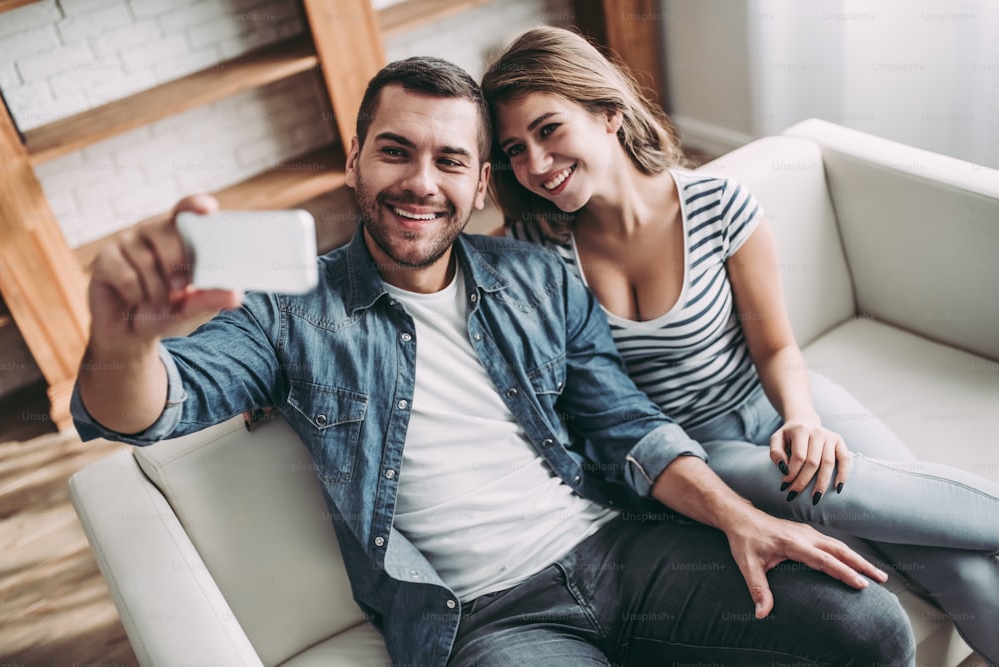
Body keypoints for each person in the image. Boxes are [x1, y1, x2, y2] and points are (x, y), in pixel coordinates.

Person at [71, 56, 916, 667]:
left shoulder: (541, 276)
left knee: (871, 624)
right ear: (354, 161)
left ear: (481, 185)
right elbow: (149, 407)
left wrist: (739, 515)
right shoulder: (288, 310)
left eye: (449, 161)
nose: (420, 182)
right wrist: (125, 336)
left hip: (619, 550)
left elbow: (627, 424)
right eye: (395, 150)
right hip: (486, 618)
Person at [481, 25, 999, 664]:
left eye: (548, 129)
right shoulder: (534, 251)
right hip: (703, 449)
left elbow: (777, 346)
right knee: (836, 492)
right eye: (514, 149)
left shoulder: (717, 204)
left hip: (780, 399)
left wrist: (805, 418)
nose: (534, 164)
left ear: (608, 114)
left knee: (952, 562)